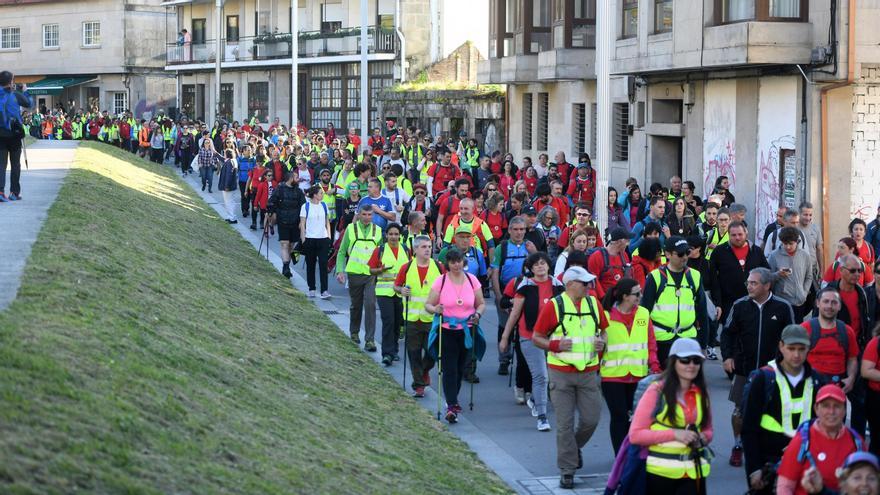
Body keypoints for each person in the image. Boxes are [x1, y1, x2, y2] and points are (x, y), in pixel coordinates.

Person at [531, 266, 609, 490]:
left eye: (589, 283)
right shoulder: (555, 306)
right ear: (570, 284)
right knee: (565, 424)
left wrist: (602, 342)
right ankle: (567, 470)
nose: (588, 287)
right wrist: (554, 345)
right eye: (584, 283)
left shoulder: (594, 303)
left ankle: (572, 451)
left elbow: (603, 330)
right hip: (561, 373)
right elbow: (537, 337)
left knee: (591, 419)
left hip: (588, 372)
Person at [721, 267, 795, 468]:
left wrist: (789, 363)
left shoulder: (783, 307)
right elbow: (727, 333)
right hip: (744, 369)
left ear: (767, 285)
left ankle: (777, 448)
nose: (749, 286)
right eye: (748, 282)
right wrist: (727, 357)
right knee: (739, 411)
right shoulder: (740, 306)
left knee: (776, 410)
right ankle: (738, 446)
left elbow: (791, 337)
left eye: (753, 283)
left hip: (774, 371)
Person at [741, 325, 824, 495]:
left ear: (808, 349)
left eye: (801, 349)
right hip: (768, 463)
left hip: (805, 463)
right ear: (781, 346)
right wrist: (753, 469)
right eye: (791, 348)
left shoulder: (817, 380)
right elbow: (749, 428)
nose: (796, 355)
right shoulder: (763, 379)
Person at [629, 337, 713, 495]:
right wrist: (675, 434)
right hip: (660, 475)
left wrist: (702, 438)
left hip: (695, 473)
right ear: (673, 362)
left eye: (696, 361)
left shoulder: (702, 392)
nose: (691, 365)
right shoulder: (656, 391)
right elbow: (636, 435)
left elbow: (709, 430)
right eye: (685, 360)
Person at [499, 252, 564, 431]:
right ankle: (542, 417)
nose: (540, 267)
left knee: (552, 376)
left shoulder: (558, 286)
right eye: (536, 265)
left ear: (549, 266)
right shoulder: (525, 287)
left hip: (553, 336)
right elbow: (514, 314)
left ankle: (535, 399)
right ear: (531, 268)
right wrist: (505, 337)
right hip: (529, 336)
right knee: (540, 375)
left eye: (543, 263)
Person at [424, 247, 486, 424]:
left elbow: (480, 303)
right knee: (449, 368)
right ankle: (452, 405)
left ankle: (453, 401)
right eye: (452, 262)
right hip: (447, 330)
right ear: (448, 264)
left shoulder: (472, 280)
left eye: (459, 261)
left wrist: (478, 315)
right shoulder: (441, 281)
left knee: (460, 369)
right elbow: (429, 304)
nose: (456, 265)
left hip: (466, 330)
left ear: (463, 262)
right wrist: (435, 309)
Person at [600, 277, 661, 454]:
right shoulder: (605, 316)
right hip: (613, 376)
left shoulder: (643, 313)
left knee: (636, 418)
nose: (640, 296)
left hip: (638, 375)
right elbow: (598, 345)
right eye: (636, 294)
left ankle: (632, 452)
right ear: (625, 296)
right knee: (619, 417)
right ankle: (621, 455)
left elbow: (650, 341)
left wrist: (654, 365)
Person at [776, 384, 866, 495]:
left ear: (844, 410)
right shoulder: (802, 441)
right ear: (816, 409)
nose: (831, 411)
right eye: (826, 406)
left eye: (837, 406)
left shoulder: (857, 442)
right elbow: (785, 486)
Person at [641, 237, 709, 364]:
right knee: (663, 382)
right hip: (661, 341)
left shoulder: (694, 276)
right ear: (667, 254)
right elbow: (644, 312)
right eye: (680, 254)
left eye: (687, 253)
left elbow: (702, 312)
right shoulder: (655, 277)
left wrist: (703, 345)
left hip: (688, 338)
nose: (684, 257)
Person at [395, 235, 444, 398]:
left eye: (429, 247)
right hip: (411, 318)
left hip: (431, 318)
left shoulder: (439, 267)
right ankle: (418, 385)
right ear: (415, 250)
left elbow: (446, 287)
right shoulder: (406, 267)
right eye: (424, 247)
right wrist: (401, 290)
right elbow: (397, 286)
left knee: (432, 353)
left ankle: (423, 372)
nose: (428, 250)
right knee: (413, 352)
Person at [492, 216, 536, 375]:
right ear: (509, 230)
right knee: (505, 326)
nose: (519, 233)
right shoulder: (502, 247)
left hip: (526, 293)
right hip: (506, 292)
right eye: (516, 229)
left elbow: (539, 267)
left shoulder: (530, 246)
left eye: (522, 229)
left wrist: (534, 253)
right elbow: (495, 272)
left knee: (524, 327)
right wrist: (498, 296)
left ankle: (524, 360)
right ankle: (504, 360)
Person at [336, 204, 383, 351]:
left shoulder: (378, 231)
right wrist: (339, 271)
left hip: (371, 274)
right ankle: (354, 332)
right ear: (359, 214)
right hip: (355, 273)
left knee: (370, 305)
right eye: (364, 215)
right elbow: (342, 251)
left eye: (370, 215)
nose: (367, 218)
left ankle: (370, 340)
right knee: (356, 305)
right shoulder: (351, 229)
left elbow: (382, 253)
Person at [708, 221, 769, 324]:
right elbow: (714, 280)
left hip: (753, 302)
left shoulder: (756, 251)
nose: (737, 237)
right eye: (733, 235)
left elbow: (766, 274)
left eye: (740, 234)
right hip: (729, 304)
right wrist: (718, 303)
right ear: (728, 235)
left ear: (746, 234)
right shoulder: (719, 252)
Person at [802, 287, 859, 392]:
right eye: (826, 301)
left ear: (840, 306)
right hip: (809, 386)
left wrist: (851, 378)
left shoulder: (847, 331)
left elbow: (852, 358)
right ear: (818, 303)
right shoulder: (804, 329)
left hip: (837, 385)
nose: (829, 306)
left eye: (834, 302)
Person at [369, 223, 411, 366]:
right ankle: (387, 353)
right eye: (391, 234)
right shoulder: (379, 250)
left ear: (400, 235)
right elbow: (371, 270)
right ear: (386, 235)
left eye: (396, 234)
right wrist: (380, 269)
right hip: (384, 291)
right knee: (388, 321)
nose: (393, 237)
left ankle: (394, 350)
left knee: (398, 323)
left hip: (401, 292)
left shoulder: (405, 250)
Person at [768, 226, 814, 320]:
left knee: (797, 331)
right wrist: (778, 274)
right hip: (781, 302)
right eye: (785, 244)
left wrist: (804, 293)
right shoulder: (774, 256)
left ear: (797, 241)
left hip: (799, 303)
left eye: (791, 244)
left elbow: (809, 277)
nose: (788, 247)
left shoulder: (805, 256)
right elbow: (768, 278)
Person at [0, 71, 33, 202]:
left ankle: (0, 191)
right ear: (11, 81)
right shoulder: (15, 95)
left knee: (1, 164)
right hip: (14, 134)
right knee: (15, 164)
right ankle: (14, 192)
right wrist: (25, 91)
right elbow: (29, 104)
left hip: (0, 134)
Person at [267, 170, 306, 278]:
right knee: (284, 243)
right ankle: (286, 267)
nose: (298, 179)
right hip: (283, 220)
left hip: (295, 222)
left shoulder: (299, 192)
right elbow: (271, 201)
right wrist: (271, 212)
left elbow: (303, 207)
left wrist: (302, 222)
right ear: (290, 178)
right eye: (296, 177)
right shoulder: (279, 189)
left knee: (291, 245)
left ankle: (287, 263)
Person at [299, 184, 332, 298]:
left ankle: (324, 290)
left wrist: (329, 236)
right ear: (314, 195)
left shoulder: (324, 205)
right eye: (321, 193)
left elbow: (327, 221)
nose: (322, 195)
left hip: (323, 239)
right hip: (310, 239)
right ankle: (311, 288)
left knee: (323, 264)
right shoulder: (305, 206)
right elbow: (302, 224)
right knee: (311, 265)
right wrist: (304, 239)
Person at [587, 227, 632, 298]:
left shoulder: (624, 256)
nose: (628, 244)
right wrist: (604, 300)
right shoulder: (597, 257)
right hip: (604, 301)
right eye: (627, 241)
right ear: (619, 242)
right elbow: (593, 282)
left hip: (621, 300)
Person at [216, 149, 239, 223]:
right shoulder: (232, 161)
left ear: (227, 154)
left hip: (229, 186)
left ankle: (232, 218)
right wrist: (216, 153)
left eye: (225, 153)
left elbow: (229, 175)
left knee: (229, 202)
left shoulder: (229, 162)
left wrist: (226, 186)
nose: (224, 155)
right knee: (229, 202)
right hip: (231, 185)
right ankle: (230, 216)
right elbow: (223, 159)